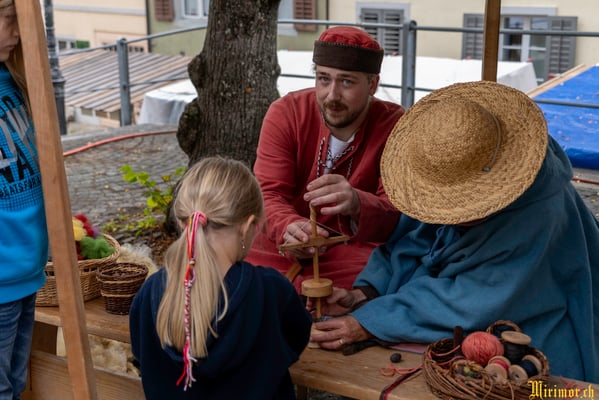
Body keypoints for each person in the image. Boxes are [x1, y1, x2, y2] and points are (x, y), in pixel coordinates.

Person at [309, 81, 599, 383]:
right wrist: (366, 294)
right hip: (451, 306)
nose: (450, 213)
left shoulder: (538, 213)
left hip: (532, 322)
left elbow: (475, 299)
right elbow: (411, 238)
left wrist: (371, 321)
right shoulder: (448, 170)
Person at [129, 157, 312, 400]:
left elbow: (142, 356)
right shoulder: (272, 291)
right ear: (247, 225)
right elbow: (295, 342)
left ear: (183, 223)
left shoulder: (150, 292)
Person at [246, 26, 404, 291]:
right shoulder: (286, 112)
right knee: (234, 264)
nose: (332, 95)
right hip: (282, 245)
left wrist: (358, 204)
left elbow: (397, 214)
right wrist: (289, 226)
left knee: (380, 273)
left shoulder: (397, 126)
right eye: (323, 79)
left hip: (353, 248)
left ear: (372, 85)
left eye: (346, 82)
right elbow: (268, 193)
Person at [0, 2, 50, 399]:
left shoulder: (13, 77)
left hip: (28, 269)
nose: (17, 30)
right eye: (7, 17)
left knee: (16, 386)